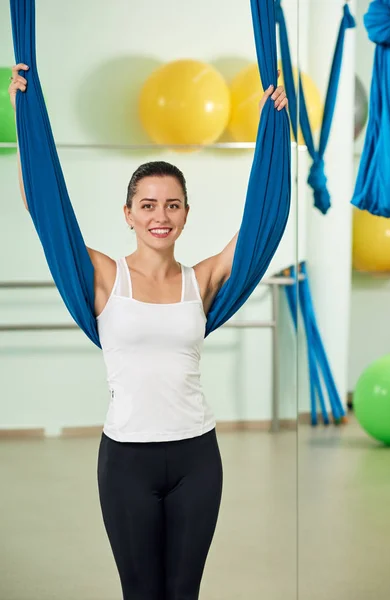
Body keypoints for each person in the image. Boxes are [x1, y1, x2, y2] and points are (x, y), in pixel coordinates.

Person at [9, 63, 288, 600]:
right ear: (129, 214)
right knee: (140, 592)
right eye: (148, 205)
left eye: (172, 205)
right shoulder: (104, 277)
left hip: (197, 457)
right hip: (127, 461)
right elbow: (44, 211)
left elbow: (262, 223)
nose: (161, 215)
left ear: (185, 214)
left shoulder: (201, 278)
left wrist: (271, 134)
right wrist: (25, 123)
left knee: (184, 592)